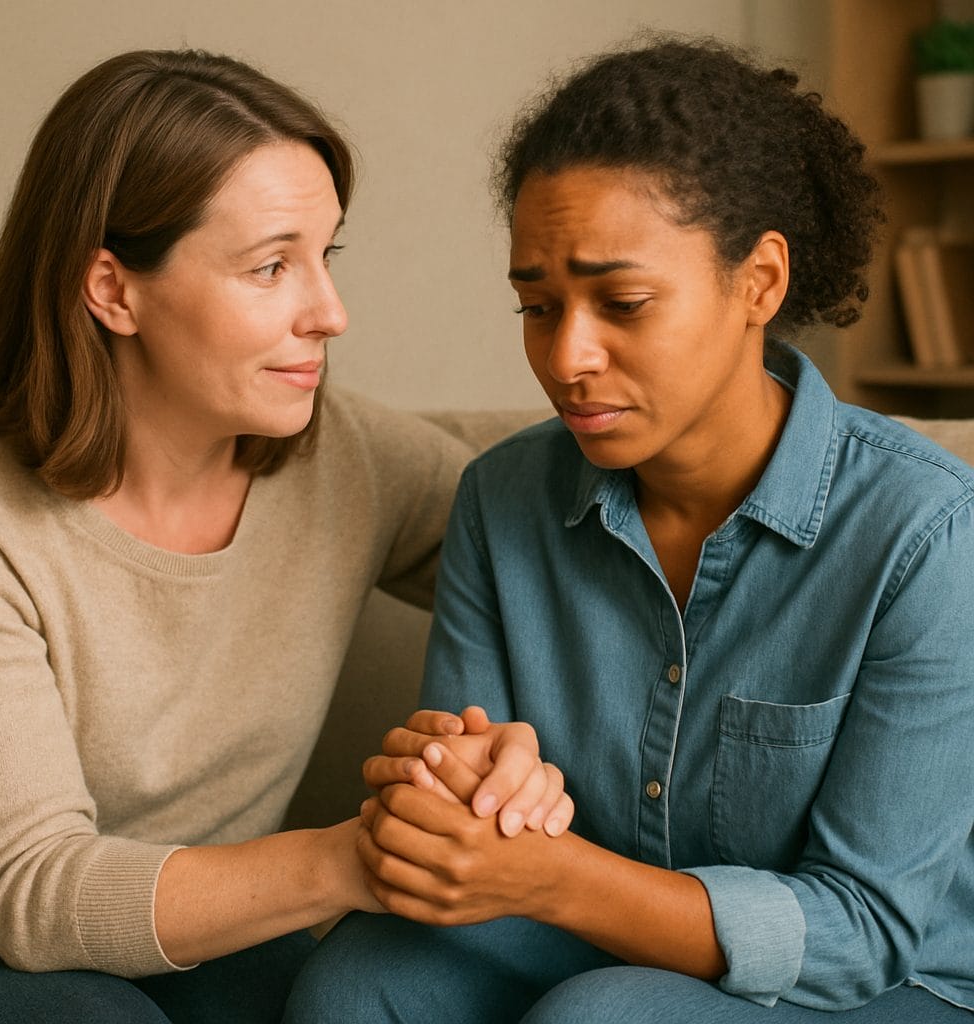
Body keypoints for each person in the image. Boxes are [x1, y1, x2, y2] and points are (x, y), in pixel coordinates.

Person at [285, 37, 974, 1022]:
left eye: (623, 303)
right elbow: (464, 815)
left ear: (759, 280)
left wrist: (553, 876)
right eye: (537, 306)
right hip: (591, 941)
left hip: (885, 984)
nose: (567, 357)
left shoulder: (927, 535)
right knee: (363, 976)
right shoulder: (501, 498)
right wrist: (450, 783)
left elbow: (862, 930)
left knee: (606, 1015)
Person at [0, 49, 571, 1024]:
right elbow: (37, 895)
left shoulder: (350, 458)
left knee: (338, 996)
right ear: (112, 289)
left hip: (221, 936)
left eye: (327, 257)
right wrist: (362, 855)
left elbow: (562, 560)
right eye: (272, 265)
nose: (330, 314)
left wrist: (500, 763)